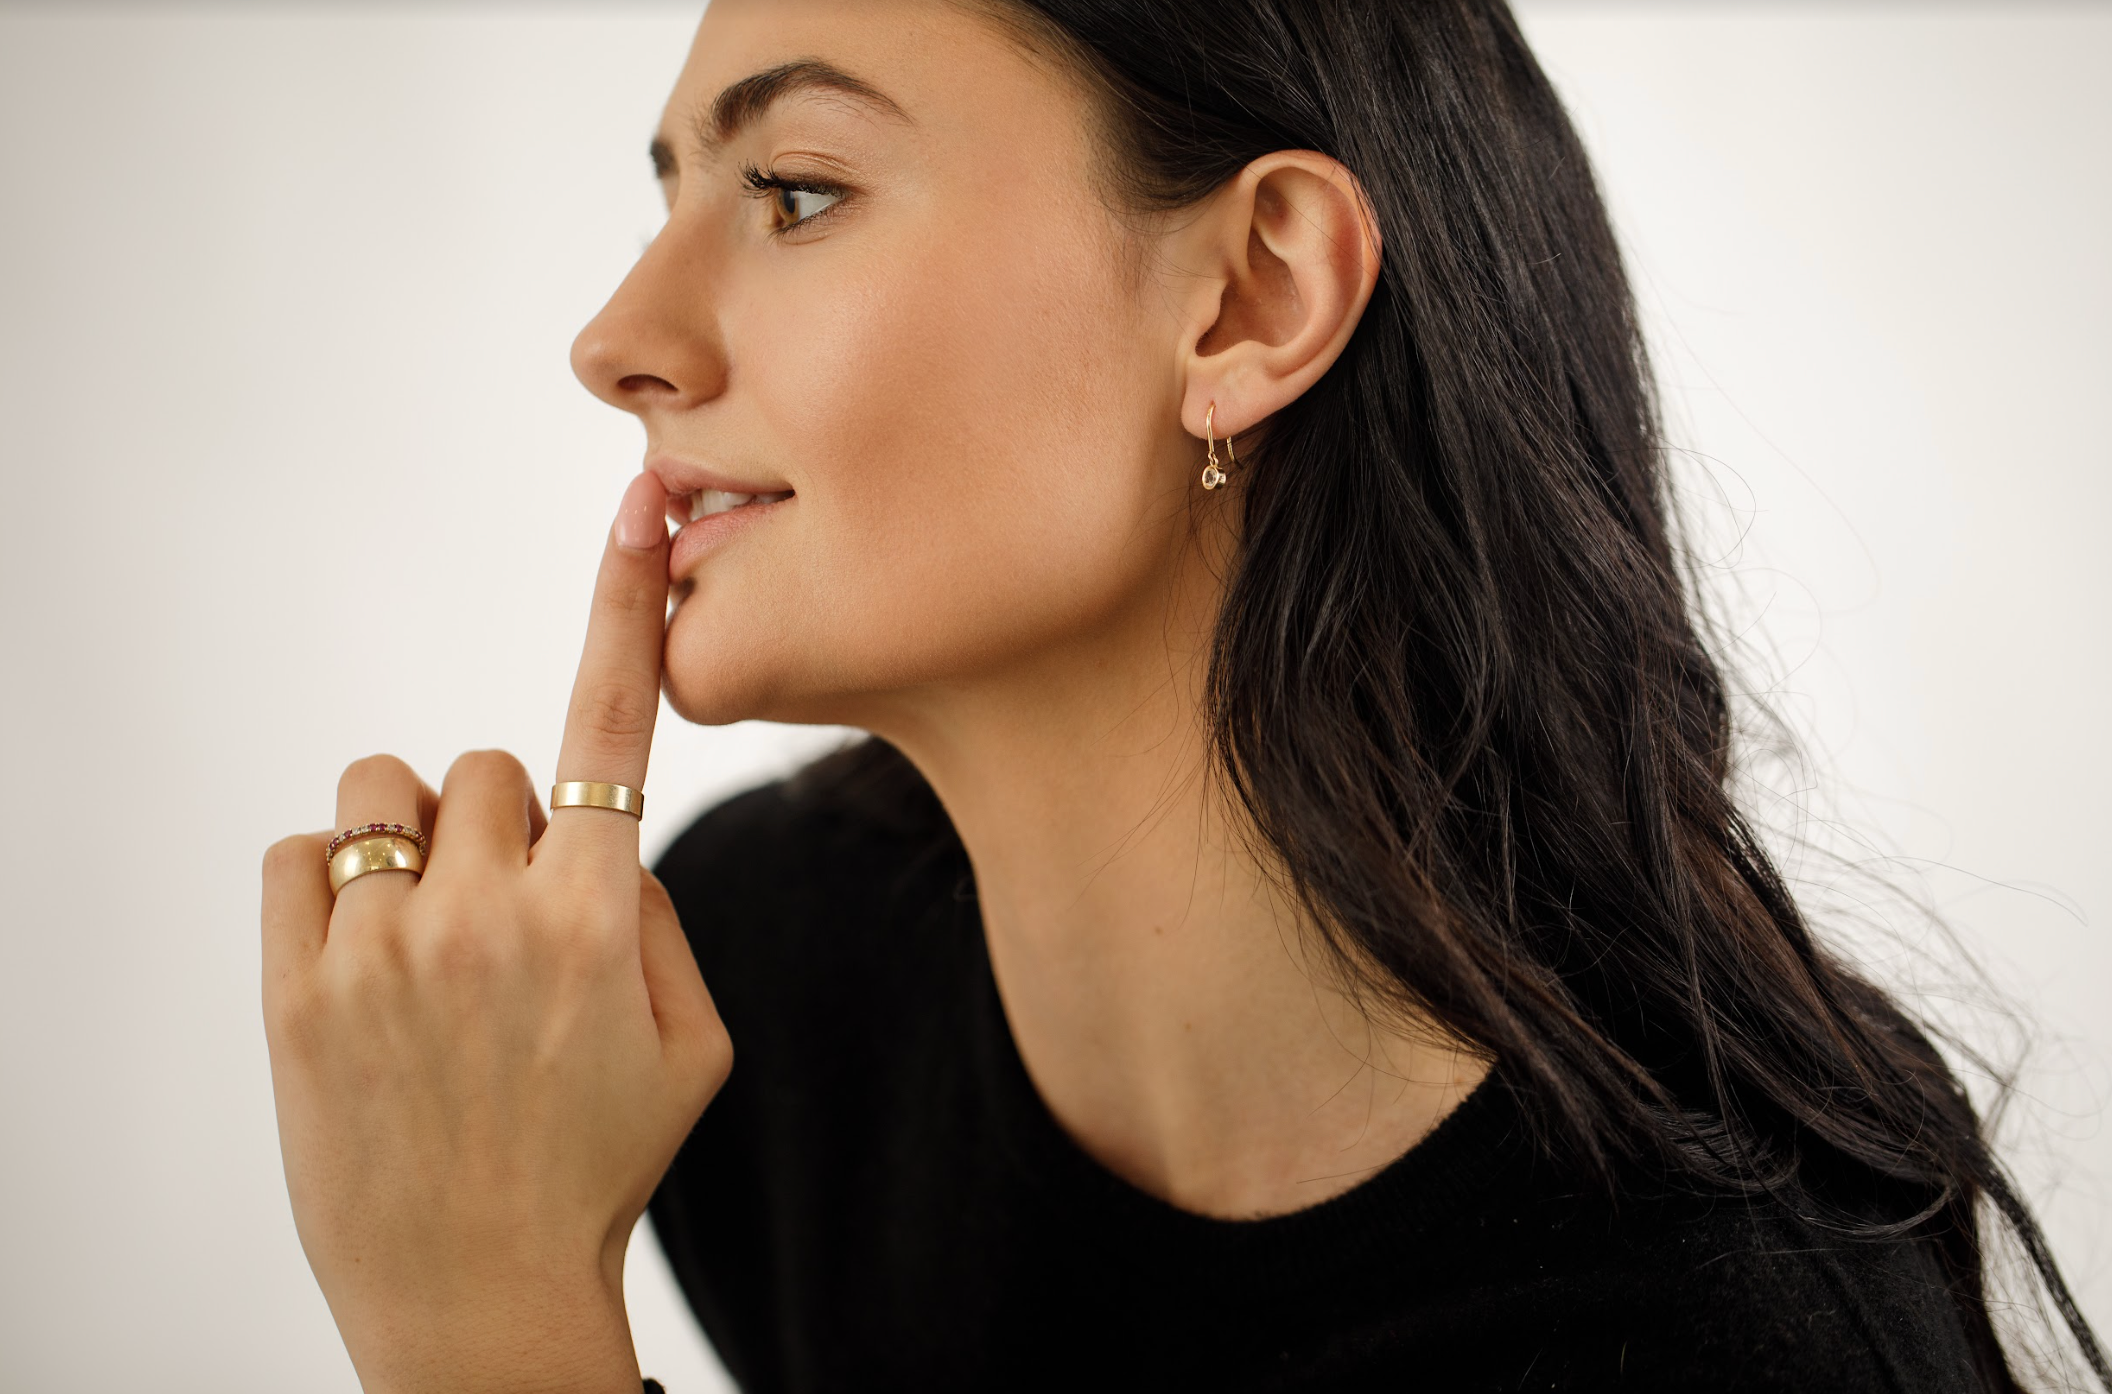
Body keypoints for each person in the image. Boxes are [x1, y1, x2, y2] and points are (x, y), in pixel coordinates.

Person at [259, 1, 2109, 1390]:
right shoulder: (758, 995)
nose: (617, 340)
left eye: (796, 191)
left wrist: (483, 1320)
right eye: (670, 195)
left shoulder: (1720, 1339)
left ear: (1247, 298)